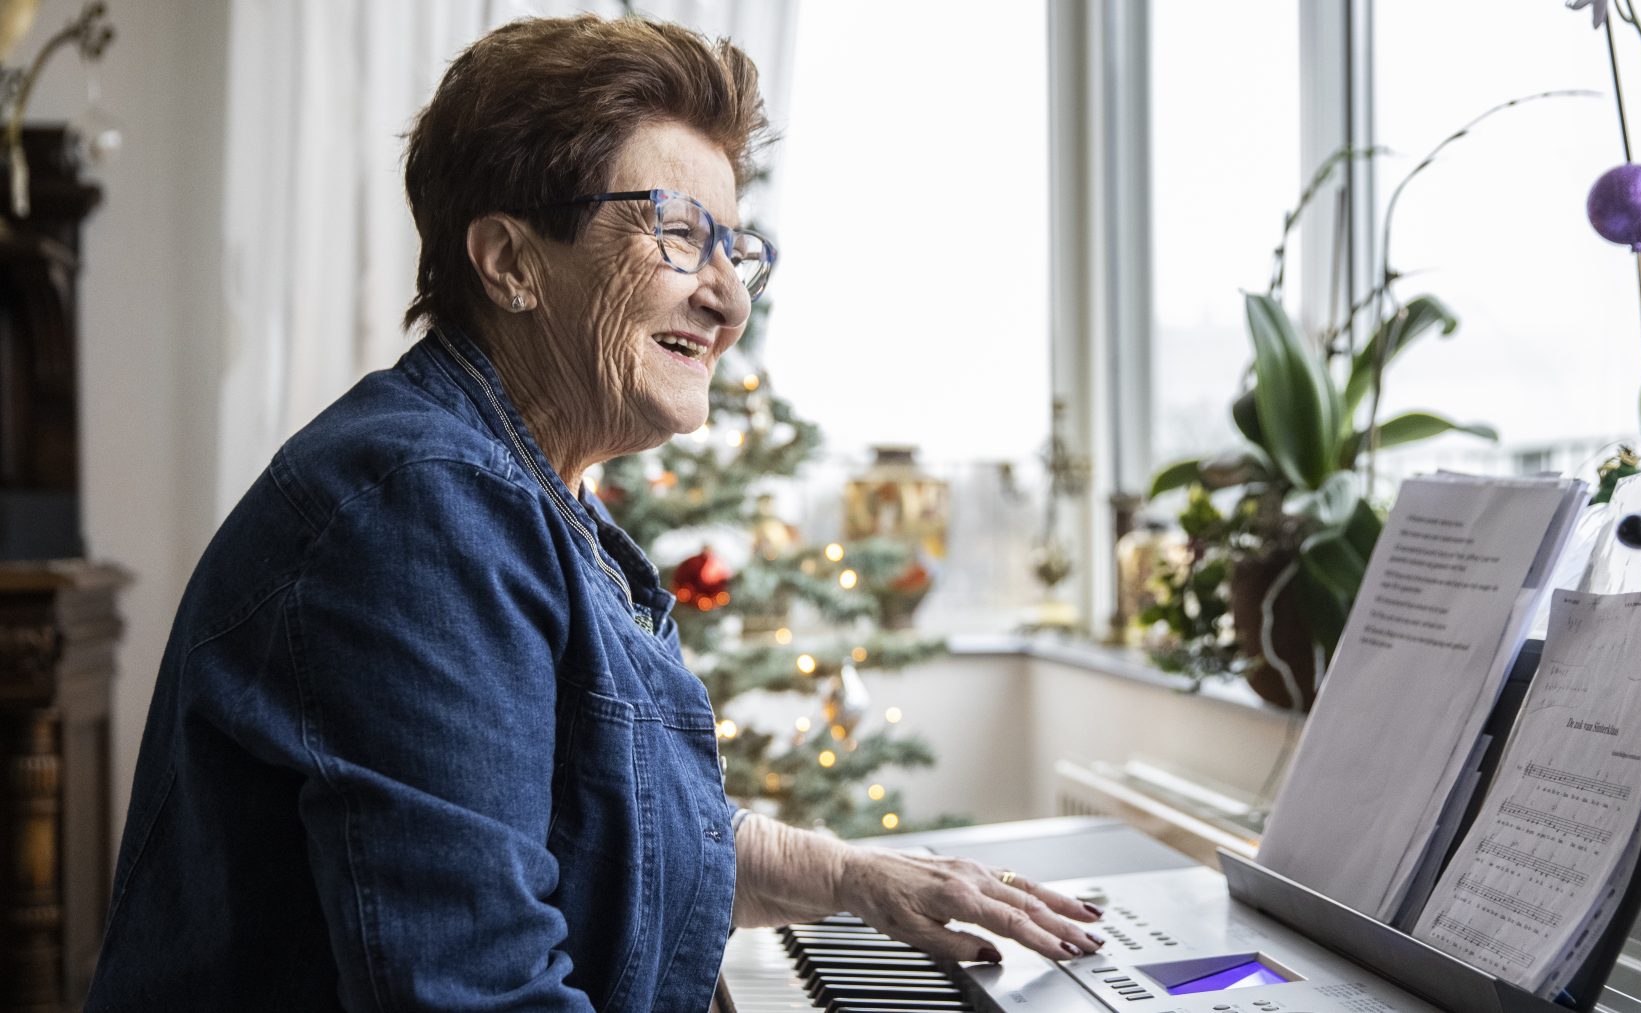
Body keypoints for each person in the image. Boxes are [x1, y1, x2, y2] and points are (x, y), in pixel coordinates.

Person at [87, 14, 1103, 1012]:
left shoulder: (520, 488)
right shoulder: (420, 507)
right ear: (511, 262)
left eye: (735, 249)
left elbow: (611, 835)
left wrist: (853, 878)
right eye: (677, 234)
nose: (730, 300)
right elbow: (478, 990)